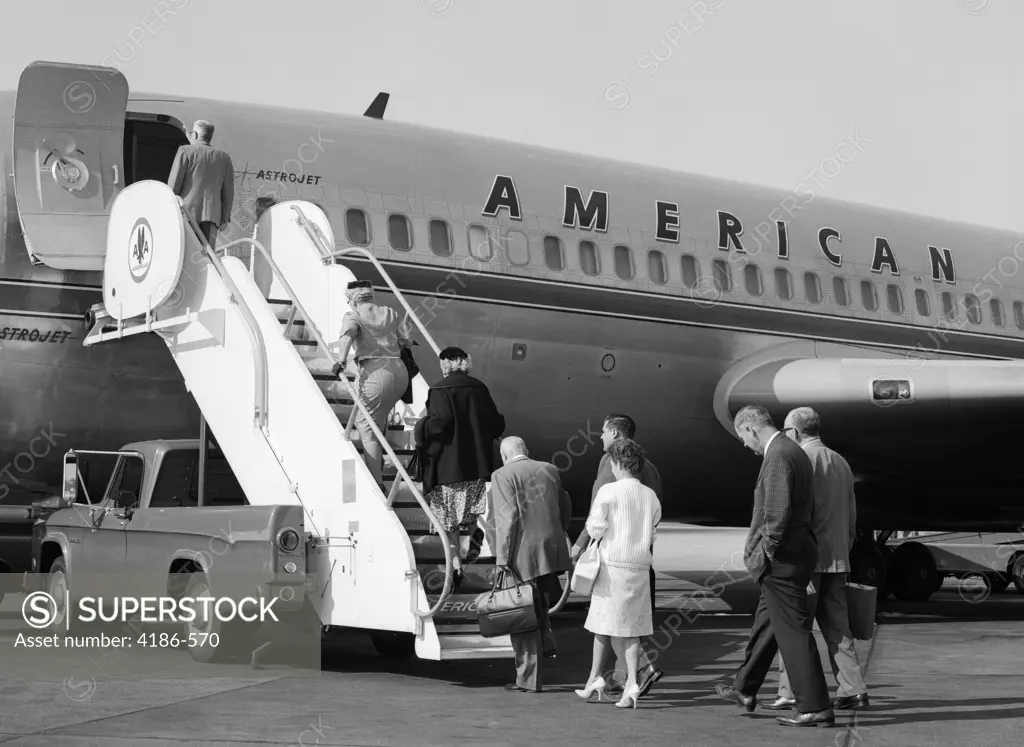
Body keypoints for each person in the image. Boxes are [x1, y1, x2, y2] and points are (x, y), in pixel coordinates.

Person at [715, 405, 834, 728]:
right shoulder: (791, 450)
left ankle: (814, 706)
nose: (744, 444)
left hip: (783, 559)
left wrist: (764, 553)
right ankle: (744, 688)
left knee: (793, 633)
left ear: (752, 429)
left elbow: (776, 515)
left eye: (742, 437)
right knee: (769, 624)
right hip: (793, 554)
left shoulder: (779, 455)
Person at [763, 407, 869, 711]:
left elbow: (795, 513)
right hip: (837, 557)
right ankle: (853, 688)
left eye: (785, 431)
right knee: (838, 628)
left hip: (807, 561)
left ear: (794, 433)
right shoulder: (841, 462)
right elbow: (851, 514)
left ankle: (791, 689)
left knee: (793, 626)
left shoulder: (798, 460)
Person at [570, 414, 664, 697]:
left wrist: (580, 544)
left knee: (607, 623)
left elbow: (597, 512)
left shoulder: (609, 463)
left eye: (602, 432)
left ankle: (632, 672)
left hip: (614, 560)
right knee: (628, 623)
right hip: (640, 559)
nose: (600, 437)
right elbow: (655, 522)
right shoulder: (653, 474)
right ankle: (624, 677)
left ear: (614, 433)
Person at [415, 346, 505, 586]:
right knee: (471, 511)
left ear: (446, 363)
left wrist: (421, 425)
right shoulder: (479, 388)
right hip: (477, 467)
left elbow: (439, 424)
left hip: (448, 468)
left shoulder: (439, 390)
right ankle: (475, 531)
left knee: (449, 523)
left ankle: (455, 567)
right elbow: (496, 424)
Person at [490, 437, 572, 693]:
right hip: (550, 549)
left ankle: (527, 678)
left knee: (521, 617)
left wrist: (502, 558)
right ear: (527, 451)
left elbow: (507, 518)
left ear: (504, 455)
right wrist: (559, 534)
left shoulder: (502, 474)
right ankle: (546, 645)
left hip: (522, 554)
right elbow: (565, 505)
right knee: (540, 606)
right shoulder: (549, 469)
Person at [333, 280, 412, 488]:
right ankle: (381, 465)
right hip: (400, 372)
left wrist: (340, 361)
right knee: (378, 419)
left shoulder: (353, 315)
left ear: (352, 299)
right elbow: (407, 340)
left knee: (366, 427)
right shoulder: (390, 312)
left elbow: (348, 334)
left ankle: (376, 484)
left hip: (376, 373)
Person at [168, 119, 235, 247]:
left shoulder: (185, 151)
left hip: (186, 213)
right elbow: (228, 192)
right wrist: (225, 218)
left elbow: (174, 184)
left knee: (183, 251)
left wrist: (168, 208)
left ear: (195, 135)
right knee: (206, 257)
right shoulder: (224, 158)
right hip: (212, 217)